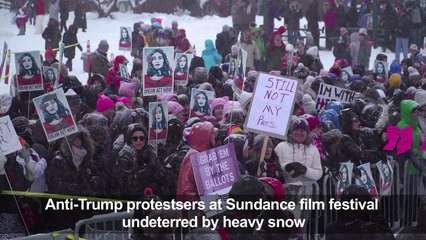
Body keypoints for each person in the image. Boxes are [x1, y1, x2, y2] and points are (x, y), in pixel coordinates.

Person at [115, 123, 167, 197]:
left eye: (142, 138)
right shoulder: (125, 155)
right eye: (135, 138)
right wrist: (144, 174)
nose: (138, 141)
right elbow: (125, 183)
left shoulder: (150, 151)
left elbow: (160, 176)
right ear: (130, 139)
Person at [275, 118, 323, 184]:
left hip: (306, 192)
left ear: (307, 133)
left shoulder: (313, 150)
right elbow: (274, 166)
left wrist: (304, 170)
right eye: (296, 129)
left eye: (302, 130)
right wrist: (287, 166)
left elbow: (318, 174)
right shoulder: (280, 147)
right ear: (292, 132)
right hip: (286, 190)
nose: (298, 132)